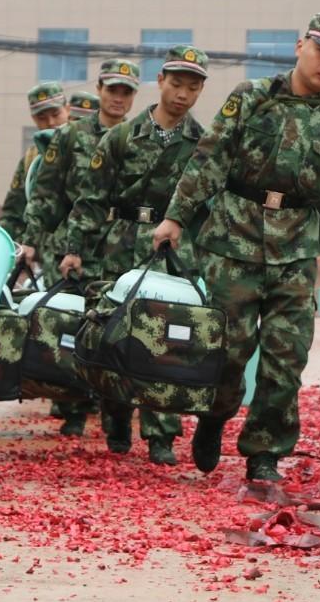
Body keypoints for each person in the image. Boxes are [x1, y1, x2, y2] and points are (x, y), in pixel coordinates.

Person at [152, 13, 320, 482]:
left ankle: (264, 453)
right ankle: (214, 417)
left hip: (296, 251)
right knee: (228, 353)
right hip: (234, 244)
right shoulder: (251, 99)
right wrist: (175, 217)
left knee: (286, 360)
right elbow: (210, 158)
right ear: (300, 47)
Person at [59, 45, 211, 465]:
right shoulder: (121, 137)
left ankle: (161, 435)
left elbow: (210, 207)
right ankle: (116, 419)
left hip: (171, 251)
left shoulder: (203, 145)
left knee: (164, 340)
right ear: (160, 81)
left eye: (192, 87)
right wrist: (75, 251)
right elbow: (89, 200)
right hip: (118, 243)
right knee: (114, 336)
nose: (182, 94)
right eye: (176, 83)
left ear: (200, 91)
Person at [22, 58, 141, 436]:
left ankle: (116, 414)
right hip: (78, 243)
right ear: (101, 89)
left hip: (123, 245)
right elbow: (47, 194)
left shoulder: (139, 137)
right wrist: (32, 240)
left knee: (122, 331)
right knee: (74, 327)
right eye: (112, 89)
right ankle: (73, 409)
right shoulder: (70, 137)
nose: (118, 98)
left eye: (126, 92)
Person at [0, 82, 71, 242]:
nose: (51, 122)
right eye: (42, 117)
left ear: (68, 109)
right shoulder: (31, 159)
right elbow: (13, 212)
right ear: (33, 119)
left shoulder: (86, 148)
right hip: (40, 250)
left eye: (56, 114)